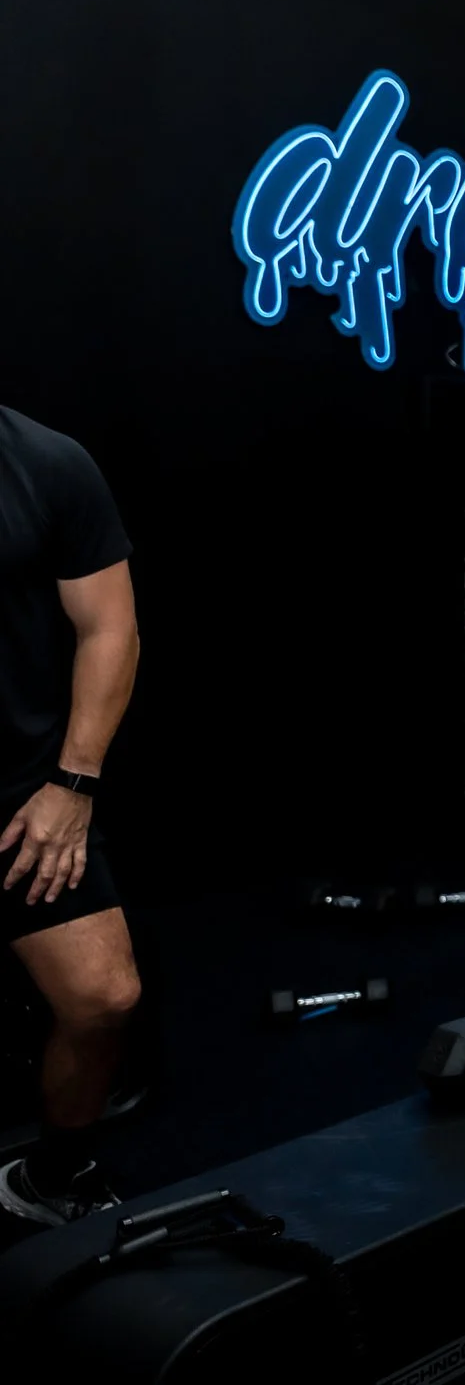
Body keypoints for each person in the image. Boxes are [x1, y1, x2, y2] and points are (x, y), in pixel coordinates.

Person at [0, 407, 143, 1228]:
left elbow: (110, 627)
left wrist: (71, 784)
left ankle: (53, 1174)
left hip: (19, 795)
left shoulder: (48, 463)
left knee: (104, 997)